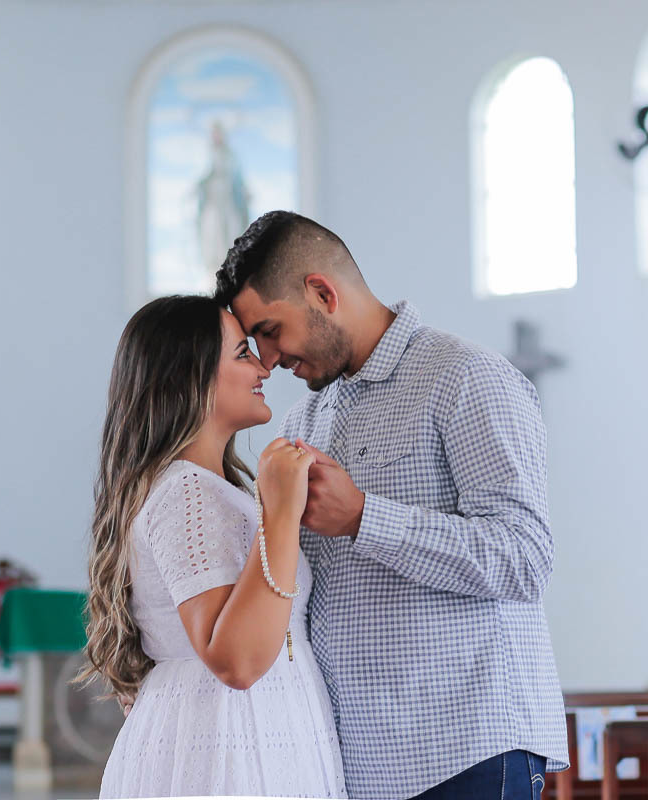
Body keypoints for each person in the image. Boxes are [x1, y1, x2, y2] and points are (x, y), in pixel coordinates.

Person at [213, 211, 570, 800]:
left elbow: (525, 560)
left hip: (467, 754)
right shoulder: (304, 420)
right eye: (255, 343)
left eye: (271, 331)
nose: (268, 359)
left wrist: (363, 518)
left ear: (322, 293)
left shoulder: (466, 377)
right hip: (356, 766)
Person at [77, 294, 346, 797]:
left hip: (248, 732)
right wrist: (281, 510)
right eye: (243, 353)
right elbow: (237, 662)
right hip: (225, 746)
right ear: (190, 377)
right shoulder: (187, 493)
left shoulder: (209, 489)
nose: (263, 367)